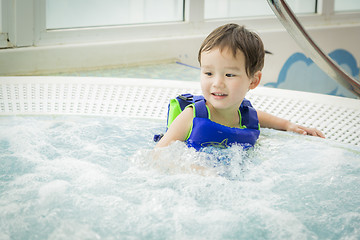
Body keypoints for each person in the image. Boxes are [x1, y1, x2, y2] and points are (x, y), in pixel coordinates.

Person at [155, 23, 324, 150]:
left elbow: (257, 116)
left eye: (229, 75)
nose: (217, 83)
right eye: (208, 73)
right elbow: (158, 154)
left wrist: (287, 125)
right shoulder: (191, 117)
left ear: (253, 81)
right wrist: (192, 169)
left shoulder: (244, 115)